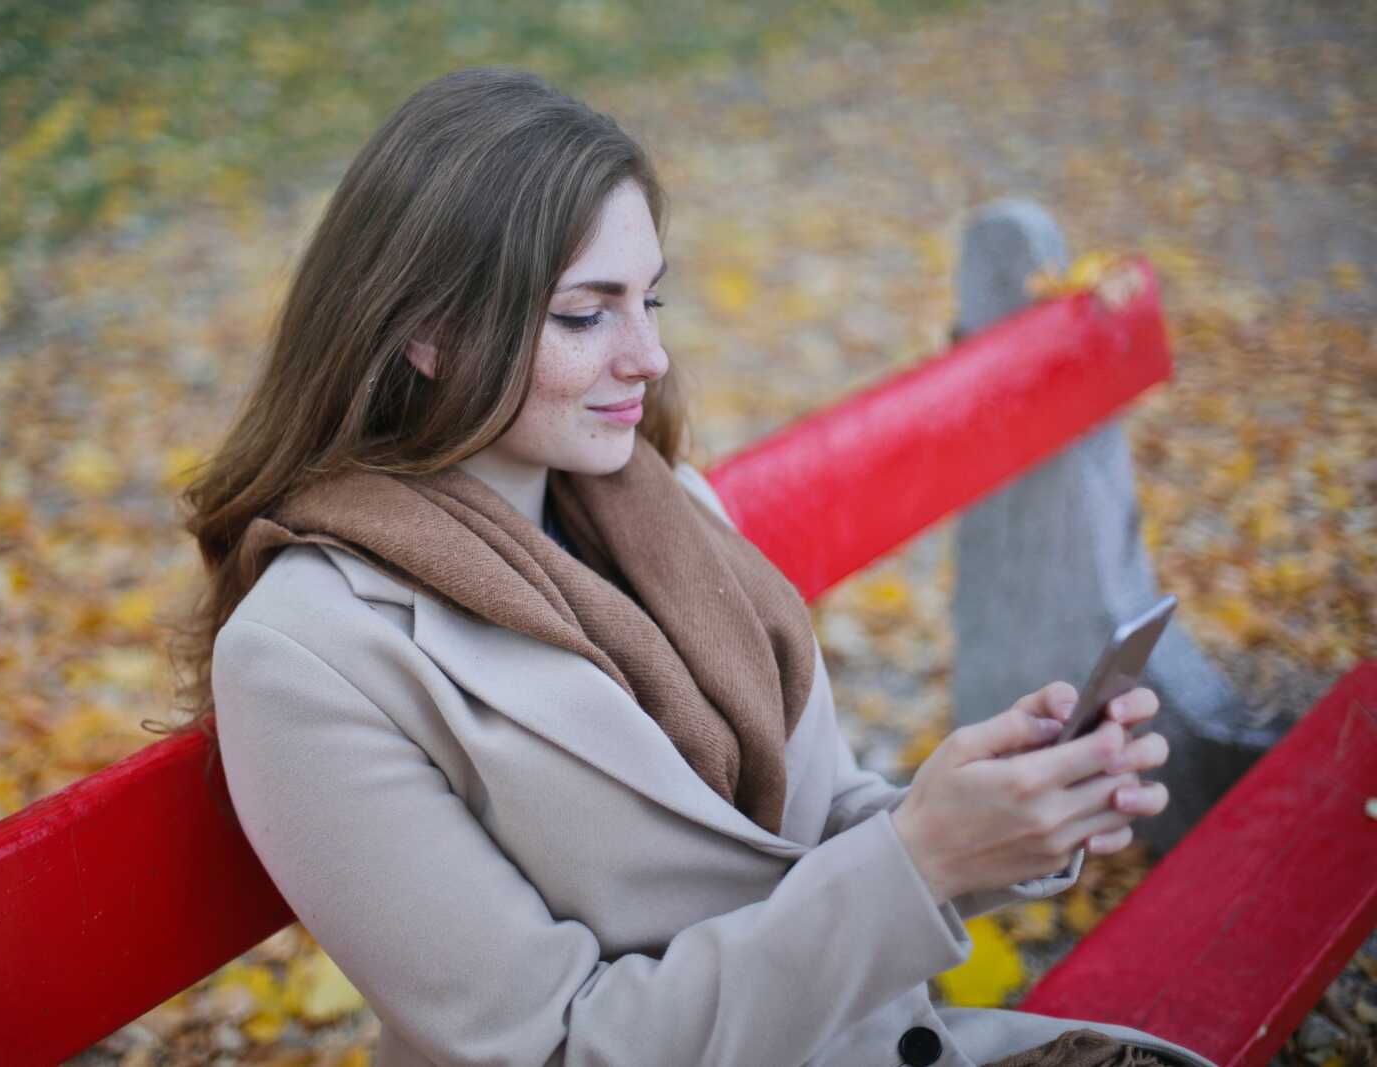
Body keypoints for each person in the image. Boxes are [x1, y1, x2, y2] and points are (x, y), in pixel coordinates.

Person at [177, 68, 1215, 1067]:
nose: (647, 357)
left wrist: (1004, 810)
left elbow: (808, 837)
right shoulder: (308, 653)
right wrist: (922, 858)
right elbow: (556, 1045)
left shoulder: (666, 509)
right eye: (586, 314)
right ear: (427, 335)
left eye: (649, 302)